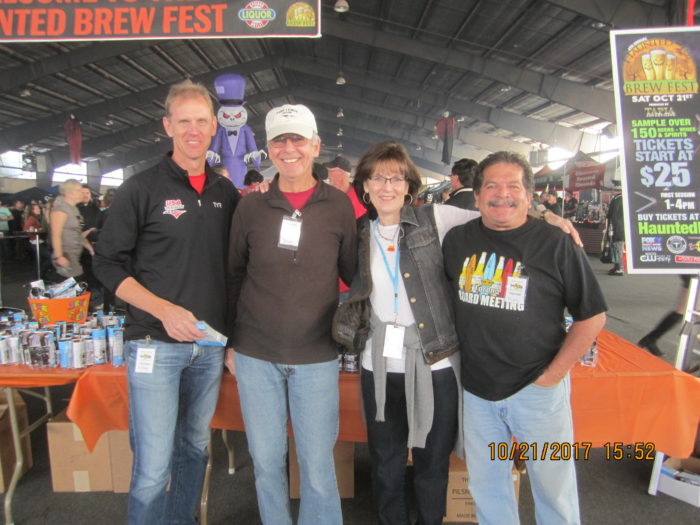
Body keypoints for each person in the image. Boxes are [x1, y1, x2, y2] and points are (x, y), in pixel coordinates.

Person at [333, 143, 581, 525]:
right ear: (364, 187)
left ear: (408, 185)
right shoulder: (356, 234)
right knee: (385, 463)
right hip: (378, 365)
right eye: (377, 178)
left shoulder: (437, 217)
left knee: (433, 463)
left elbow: (497, 208)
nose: (387, 186)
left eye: (395, 178)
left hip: (437, 364)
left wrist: (547, 215)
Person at [93, 79, 240, 525]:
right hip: (154, 346)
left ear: (214, 126)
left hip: (209, 348)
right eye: (183, 121)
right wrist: (164, 310)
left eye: (201, 121)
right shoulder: (140, 189)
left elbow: (233, 273)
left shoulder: (225, 194)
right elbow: (107, 264)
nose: (193, 130)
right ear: (167, 126)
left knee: (194, 450)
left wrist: (232, 340)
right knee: (154, 465)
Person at [442, 151, 607, 525]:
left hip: (537, 391)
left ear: (528, 196)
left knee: (554, 491)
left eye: (513, 186)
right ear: (478, 194)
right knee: (488, 489)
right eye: (492, 186)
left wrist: (552, 376)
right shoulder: (456, 240)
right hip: (478, 391)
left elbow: (592, 315)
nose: (503, 195)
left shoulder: (556, 243)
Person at [225, 104, 356, 525]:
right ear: (268, 150)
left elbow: (354, 277)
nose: (289, 148)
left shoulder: (339, 207)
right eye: (280, 140)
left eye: (297, 138)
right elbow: (233, 275)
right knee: (265, 463)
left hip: (316, 355)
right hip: (255, 354)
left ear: (315, 145)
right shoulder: (250, 206)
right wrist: (230, 342)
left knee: (317, 466)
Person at [638, 275, 692, 356]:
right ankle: (650, 339)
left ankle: (650, 339)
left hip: (691, 269)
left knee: (683, 310)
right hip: (694, 271)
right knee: (684, 310)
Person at [51, 179, 92, 278]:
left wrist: (90, 249)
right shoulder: (60, 209)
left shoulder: (74, 209)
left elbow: (78, 233)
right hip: (66, 256)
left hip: (74, 255)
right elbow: (56, 235)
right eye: (78, 190)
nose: (82, 193)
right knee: (75, 284)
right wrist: (59, 256)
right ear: (69, 193)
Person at [23, 202, 52, 279]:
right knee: (50, 258)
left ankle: (40, 276)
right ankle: (40, 276)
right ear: (32, 210)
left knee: (44, 259)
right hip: (36, 242)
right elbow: (26, 229)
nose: (39, 209)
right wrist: (37, 230)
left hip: (38, 241)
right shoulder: (32, 218)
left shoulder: (36, 218)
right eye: (37, 208)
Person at [606, 187, 625, 275]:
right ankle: (616, 266)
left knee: (617, 247)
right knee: (618, 246)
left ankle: (619, 268)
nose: (611, 191)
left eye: (612, 189)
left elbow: (613, 215)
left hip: (617, 227)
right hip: (621, 226)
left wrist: (611, 227)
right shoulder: (623, 198)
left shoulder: (617, 199)